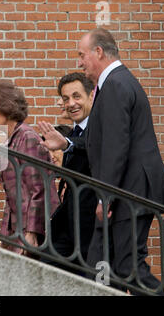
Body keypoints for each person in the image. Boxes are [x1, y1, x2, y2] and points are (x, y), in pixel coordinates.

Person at [41, 28, 164, 294]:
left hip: (130, 192)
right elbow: (99, 143)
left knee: (128, 268)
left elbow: (115, 148)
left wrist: (105, 197)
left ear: (98, 52)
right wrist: (67, 144)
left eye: (82, 55)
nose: (79, 62)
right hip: (131, 191)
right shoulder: (117, 83)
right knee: (107, 266)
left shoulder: (114, 84)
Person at [0, 79, 59, 258]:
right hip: (18, 228)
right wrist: (4, 236)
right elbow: (11, 197)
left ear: (6, 107)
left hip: (33, 229)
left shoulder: (27, 137)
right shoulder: (11, 140)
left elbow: (40, 189)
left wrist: (32, 231)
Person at [39, 72, 97, 276]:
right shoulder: (76, 131)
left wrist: (67, 143)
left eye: (77, 96)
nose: (71, 103)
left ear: (92, 96)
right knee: (44, 269)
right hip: (69, 226)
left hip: (94, 228)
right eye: (66, 99)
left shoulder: (102, 128)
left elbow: (93, 145)